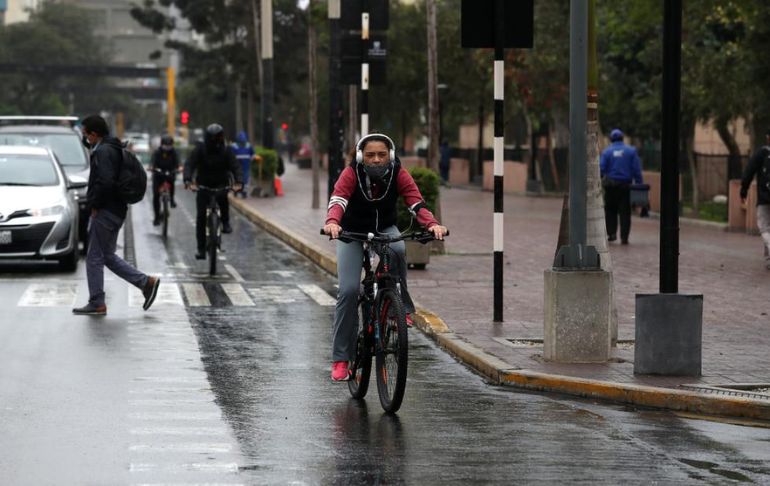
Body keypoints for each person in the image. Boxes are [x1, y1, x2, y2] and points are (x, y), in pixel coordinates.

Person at [323, 133, 448, 382]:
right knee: (348, 291)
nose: (377, 160)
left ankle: (398, 307)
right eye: (370, 155)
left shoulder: (398, 173)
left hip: (385, 229)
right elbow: (338, 199)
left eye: (382, 154)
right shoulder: (351, 174)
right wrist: (332, 222)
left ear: (390, 155)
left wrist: (432, 224)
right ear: (360, 156)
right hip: (351, 233)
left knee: (398, 249)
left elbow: (415, 202)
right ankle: (341, 359)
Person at [72, 115, 160, 315]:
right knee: (108, 256)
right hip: (117, 210)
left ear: (94, 134)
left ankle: (97, 302)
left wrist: (95, 205)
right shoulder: (115, 148)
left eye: (86, 134)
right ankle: (146, 283)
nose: (85, 138)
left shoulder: (103, 152)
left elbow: (105, 182)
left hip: (106, 211)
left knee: (94, 257)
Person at [183, 123, 243, 260]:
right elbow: (189, 164)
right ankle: (201, 249)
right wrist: (187, 180)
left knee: (223, 200)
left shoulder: (226, 151)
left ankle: (226, 223)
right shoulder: (200, 150)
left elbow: (235, 166)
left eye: (219, 137)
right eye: (214, 138)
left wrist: (239, 182)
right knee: (201, 217)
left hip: (221, 184)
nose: (216, 140)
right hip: (203, 186)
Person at [600, 128, 643, 244]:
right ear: (622, 138)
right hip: (625, 186)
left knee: (610, 210)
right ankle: (624, 237)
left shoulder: (607, 152)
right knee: (625, 212)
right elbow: (636, 169)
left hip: (610, 186)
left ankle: (611, 234)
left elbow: (601, 169)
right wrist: (639, 183)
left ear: (611, 139)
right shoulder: (631, 151)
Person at [740, 129, 770, 270]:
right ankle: (768, 260)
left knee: (764, 227)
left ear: (767, 137)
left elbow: (749, 172)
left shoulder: (762, 152)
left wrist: (744, 190)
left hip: (764, 198)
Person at [149, 134, 181, 225]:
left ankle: (172, 199)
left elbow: (178, 162)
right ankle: (156, 217)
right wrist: (152, 167)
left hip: (170, 173)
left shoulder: (174, 152)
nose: (167, 147)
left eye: (169, 145)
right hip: (158, 175)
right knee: (156, 195)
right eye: (165, 145)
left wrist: (178, 168)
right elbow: (152, 162)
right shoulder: (157, 152)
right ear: (162, 144)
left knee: (172, 181)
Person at [231, 131, 255, 198]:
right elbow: (253, 155)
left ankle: (236, 192)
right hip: (245, 165)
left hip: (238, 166)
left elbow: (231, 156)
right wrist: (251, 160)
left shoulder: (234, 146)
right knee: (245, 180)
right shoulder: (248, 145)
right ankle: (243, 193)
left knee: (237, 178)